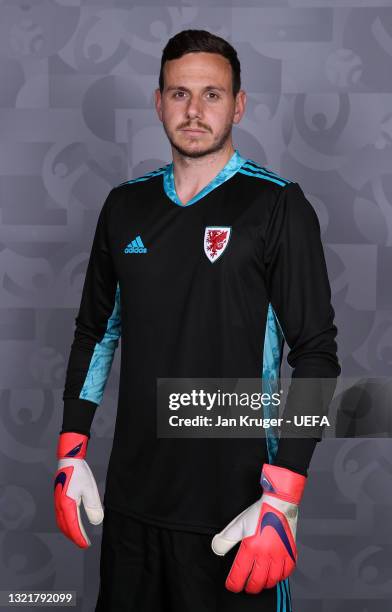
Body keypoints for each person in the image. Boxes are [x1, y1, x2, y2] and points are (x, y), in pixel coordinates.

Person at [53, 29, 341, 611]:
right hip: (132, 506)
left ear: (238, 104)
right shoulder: (124, 206)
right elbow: (97, 331)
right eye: (180, 94)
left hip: (236, 512)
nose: (194, 110)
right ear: (158, 102)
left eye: (212, 94)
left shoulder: (278, 205)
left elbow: (316, 354)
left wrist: (284, 495)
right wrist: (71, 448)